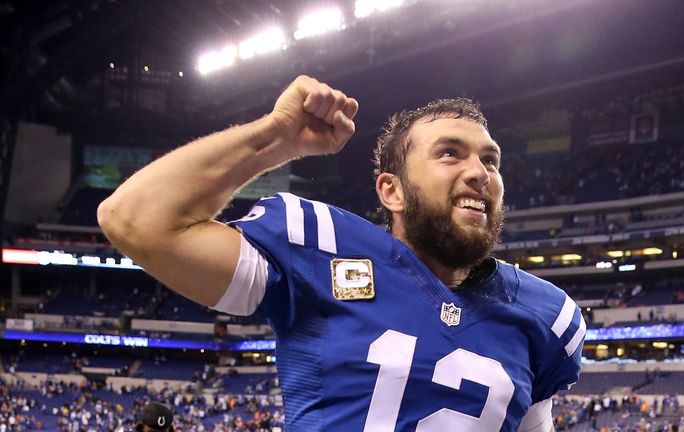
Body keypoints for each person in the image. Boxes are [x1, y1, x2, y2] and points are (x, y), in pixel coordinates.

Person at [98, 75, 585, 431]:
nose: (481, 172)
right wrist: (275, 138)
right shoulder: (320, 249)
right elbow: (134, 220)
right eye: (450, 153)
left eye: (490, 159)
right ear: (391, 191)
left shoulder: (545, 316)